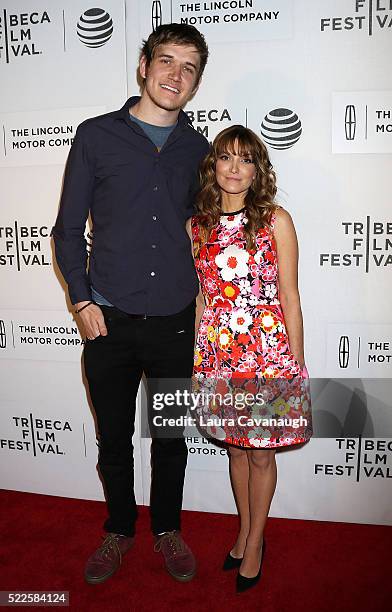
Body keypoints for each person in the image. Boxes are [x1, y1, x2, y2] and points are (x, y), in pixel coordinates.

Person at [52, 23, 209, 584]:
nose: (175, 75)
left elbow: (217, 230)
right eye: (166, 61)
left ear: (196, 84)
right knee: (113, 438)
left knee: (170, 439)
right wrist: (81, 299)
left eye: (188, 68)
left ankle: (167, 528)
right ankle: (119, 530)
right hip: (108, 322)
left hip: (175, 323)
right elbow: (68, 229)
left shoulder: (200, 150)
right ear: (143, 64)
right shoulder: (96, 136)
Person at [189, 125, 312, 592]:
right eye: (225, 157)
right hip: (220, 354)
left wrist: (295, 370)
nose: (235, 168)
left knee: (261, 458)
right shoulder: (196, 226)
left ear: (258, 168)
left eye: (246, 159)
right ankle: (242, 532)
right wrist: (198, 362)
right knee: (237, 450)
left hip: (267, 355)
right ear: (213, 165)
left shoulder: (275, 220)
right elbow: (203, 299)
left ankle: (256, 542)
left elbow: (291, 297)